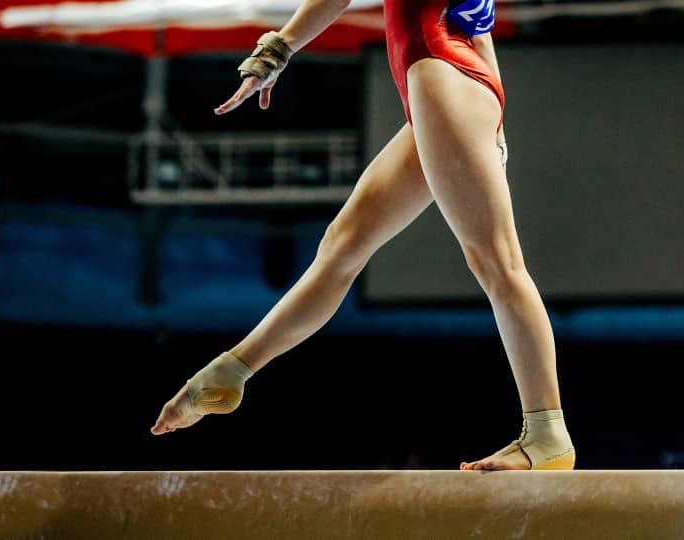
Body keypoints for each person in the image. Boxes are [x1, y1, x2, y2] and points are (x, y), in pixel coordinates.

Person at [151, 0, 575, 471]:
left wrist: (275, 49)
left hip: (441, 74)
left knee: (497, 263)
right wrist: (495, 119)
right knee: (343, 246)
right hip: (451, 76)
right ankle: (231, 370)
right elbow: (478, 23)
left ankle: (546, 434)